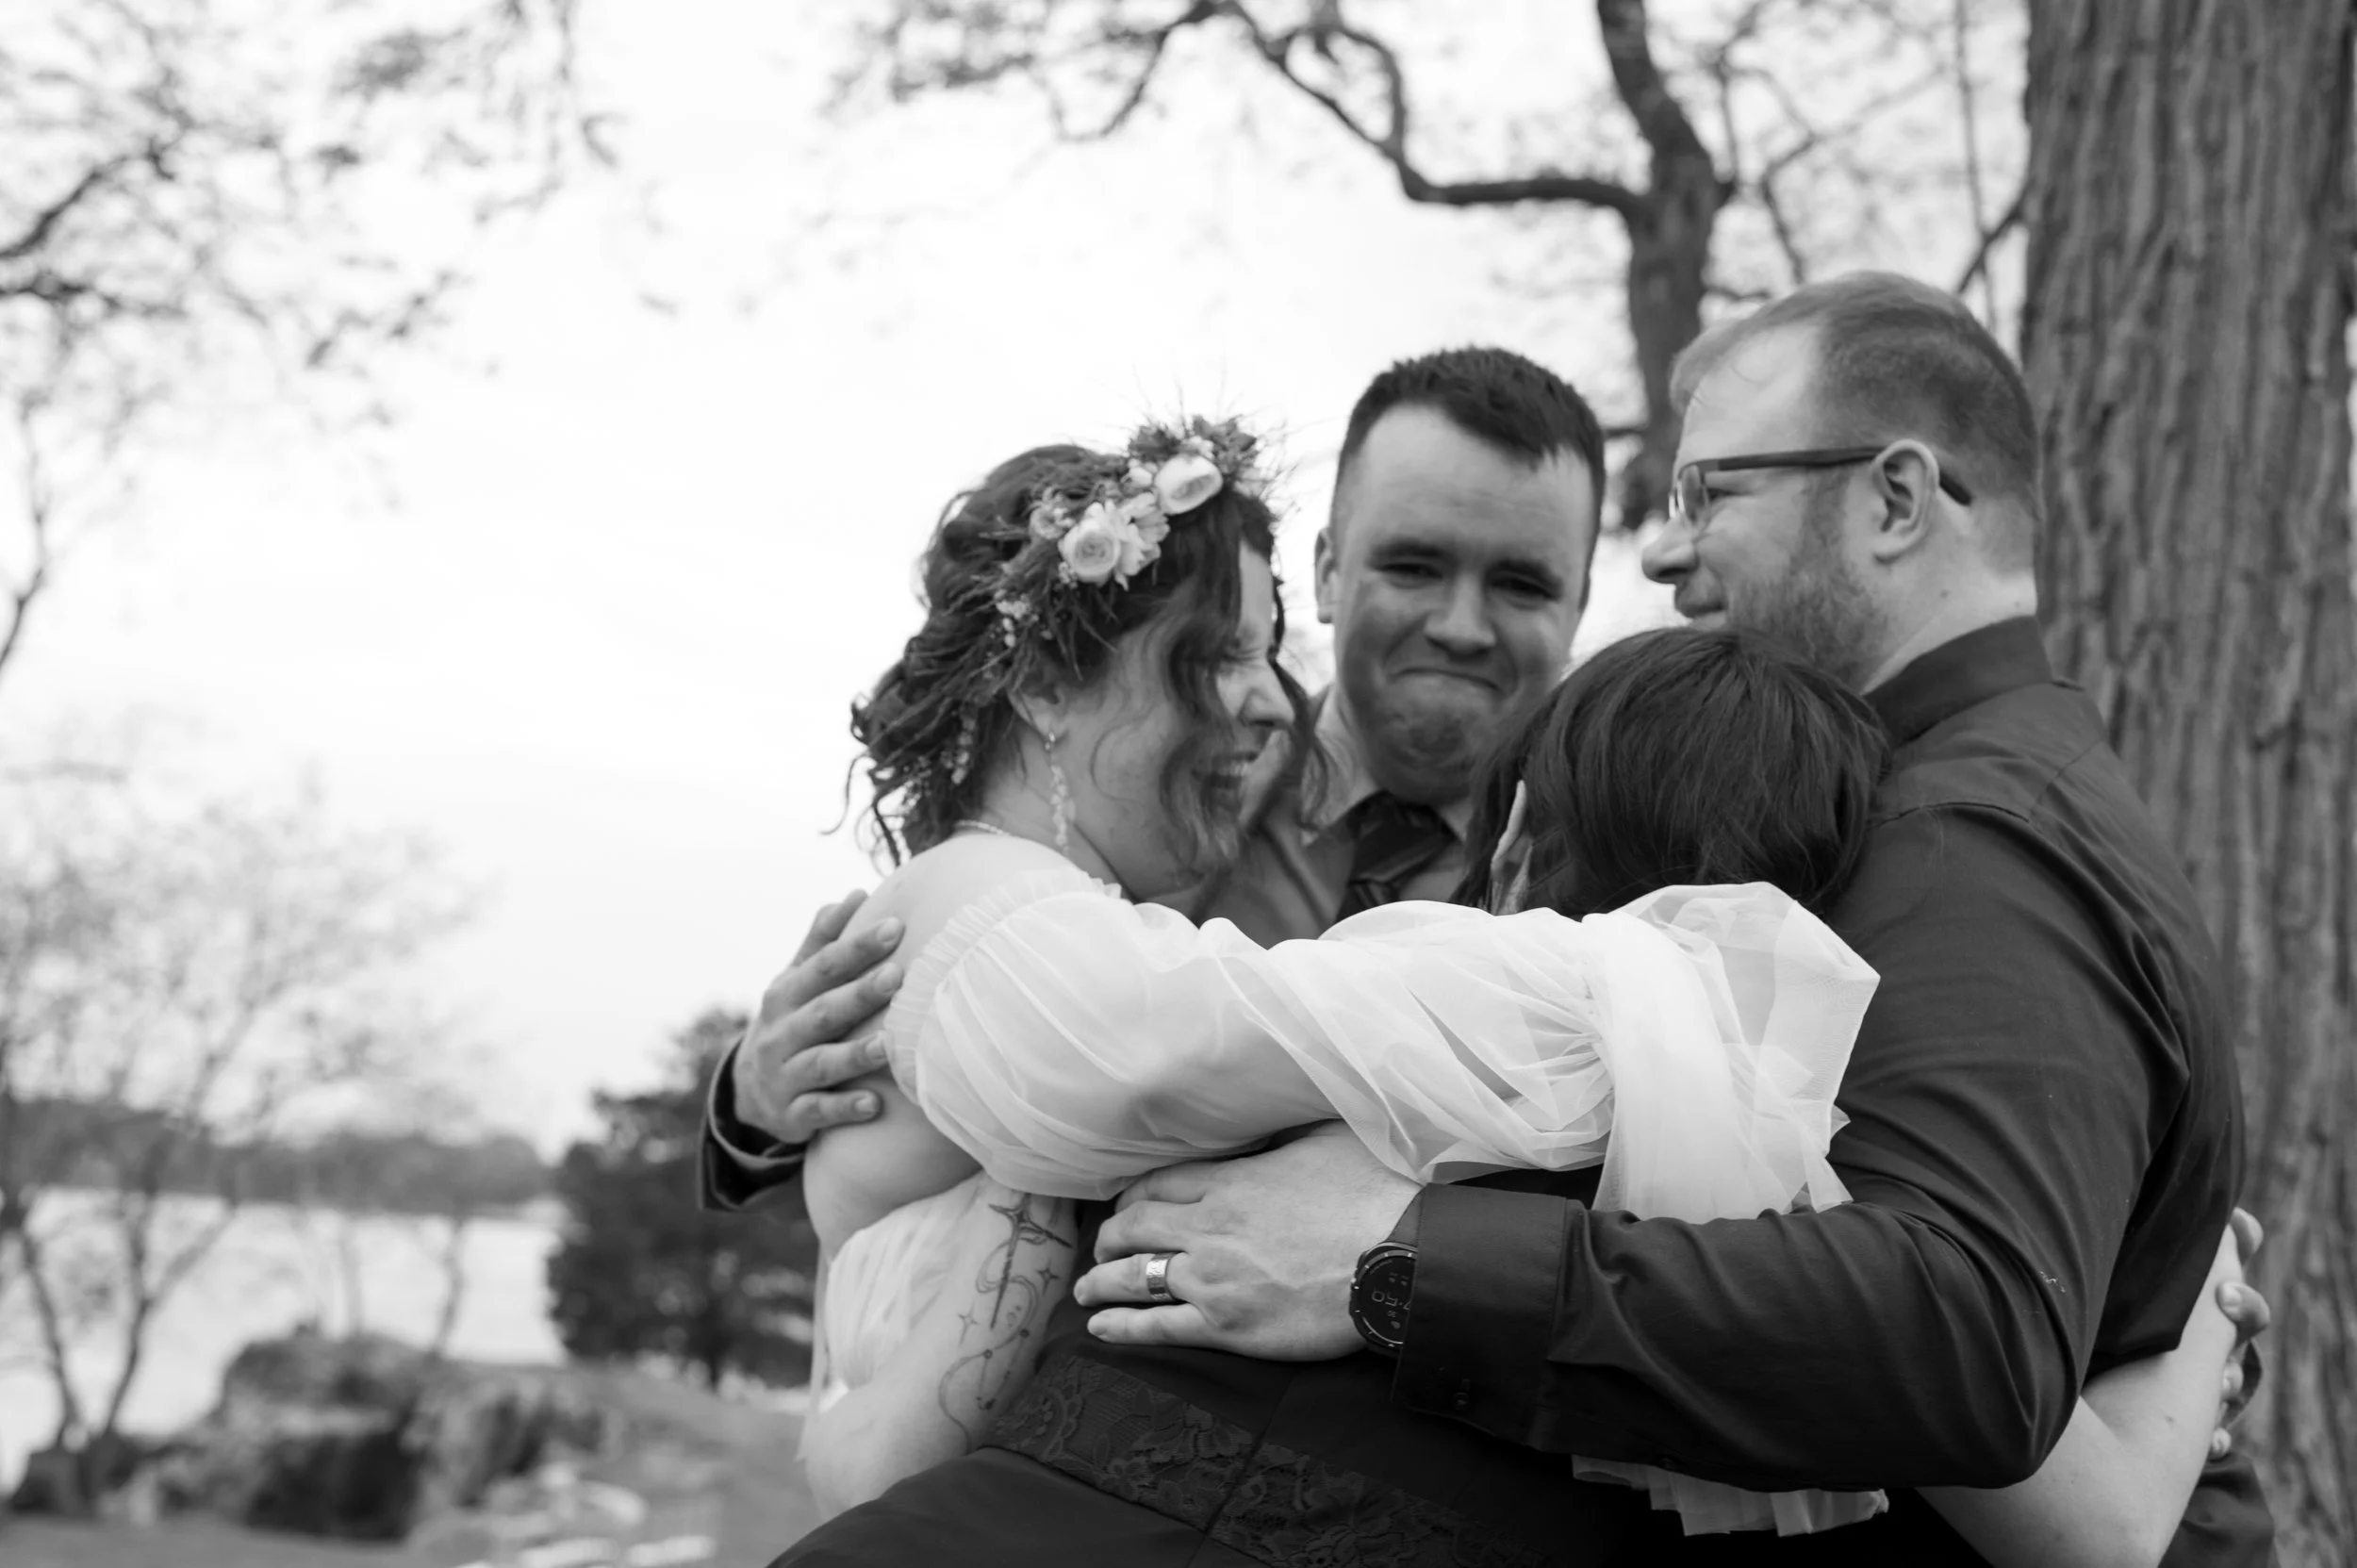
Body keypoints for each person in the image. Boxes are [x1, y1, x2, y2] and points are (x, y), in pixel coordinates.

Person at [727, 305, 2273, 1564]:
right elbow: (999, 986)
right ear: (1328, 572)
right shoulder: (1179, 788)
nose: (1466, 620)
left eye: (1531, 578)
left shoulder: (1774, 815)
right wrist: (748, 1103)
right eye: (1413, 564)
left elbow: (1933, 1295)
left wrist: (2149, 1349)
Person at [794, 622, 2250, 1560]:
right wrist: (2183, 1305)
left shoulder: (1339, 1000)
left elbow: (1067, 1080)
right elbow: (2087, 1509)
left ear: (1511, 846)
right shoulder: (1799, 1188)